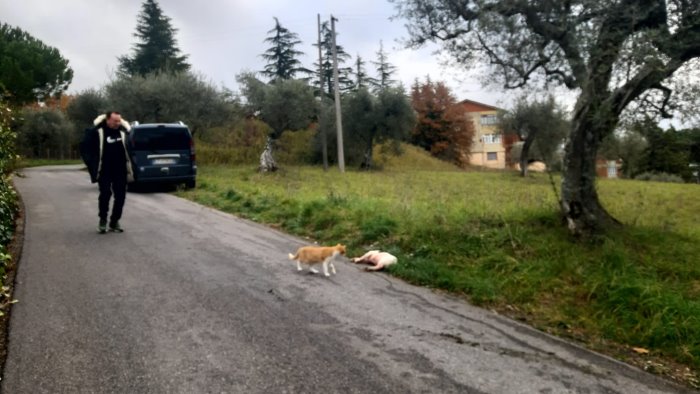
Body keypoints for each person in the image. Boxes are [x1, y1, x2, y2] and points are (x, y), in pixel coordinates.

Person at [80, 112, 134, 233]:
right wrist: (92, 163)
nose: (118, 123)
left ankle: (114, 221)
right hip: (104, 170)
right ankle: (103, 220)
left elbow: (130, 149)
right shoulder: (97, 132)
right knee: (105, 195)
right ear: (108, 120)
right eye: (115, 121)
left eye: (119, 121)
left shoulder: (124, 132)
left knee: (120, 197)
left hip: (120, 171)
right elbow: (85, 148)